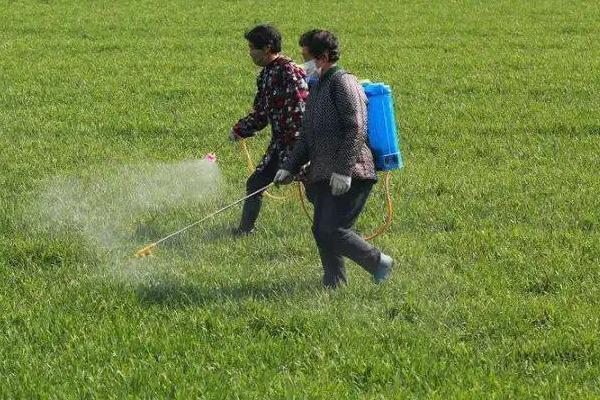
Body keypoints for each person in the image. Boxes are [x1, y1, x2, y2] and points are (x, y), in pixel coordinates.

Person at [275, 29, 394, 288]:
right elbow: (306, 136)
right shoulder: (317, 88)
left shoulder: (343, 83)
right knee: (322, 231)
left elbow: (356, 127)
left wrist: (344, 170)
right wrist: (288, 167)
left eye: (306, 56)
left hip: (353, 172)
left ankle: (379, 262)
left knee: (332, 229)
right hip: (323, 174)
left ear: (324, 56)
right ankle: (334, 283)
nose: (302, 62)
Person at [230, 24, 309, 236]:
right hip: (280, 144)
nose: (250, 53)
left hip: (300, 144)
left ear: (266, 48)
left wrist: (295, 154)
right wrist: (241, 129)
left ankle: (335, 230)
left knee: (315, 190)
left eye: (252, 48)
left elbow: (301, 110)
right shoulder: (265, 75)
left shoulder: (289, 72)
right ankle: (245, 230)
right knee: (255, 183)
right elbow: (262, 113)